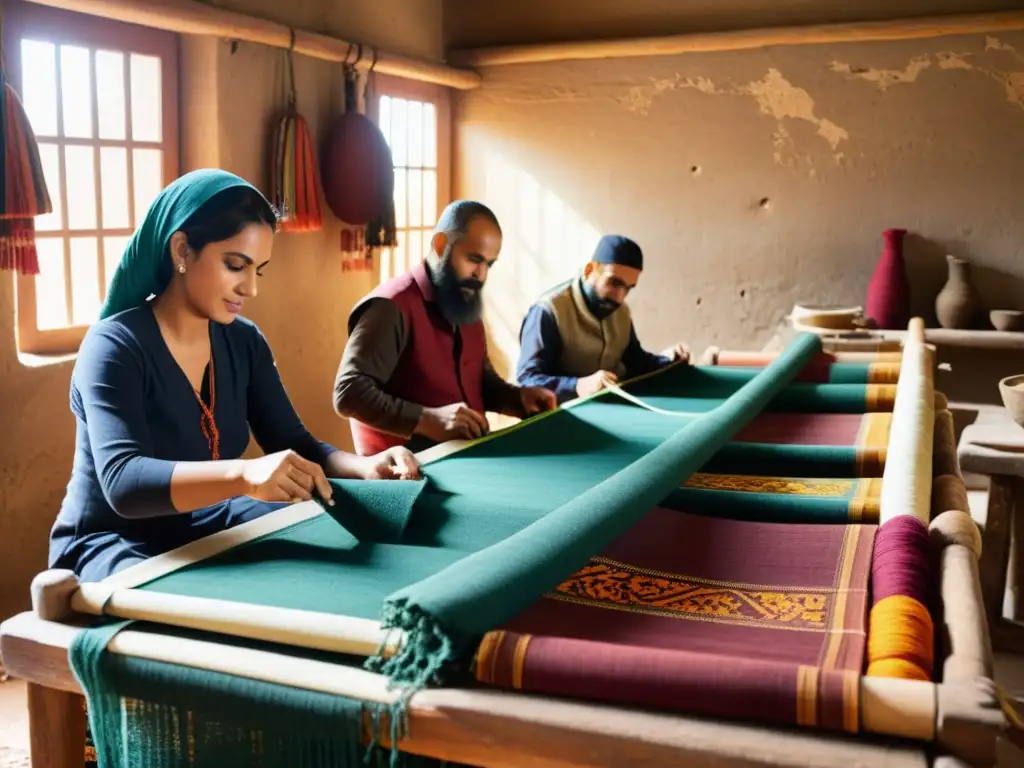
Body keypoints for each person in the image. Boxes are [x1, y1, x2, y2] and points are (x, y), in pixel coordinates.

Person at [49, 169, 420, 583]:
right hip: (116, 541)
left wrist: (364, 467)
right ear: (182, 251)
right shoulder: (113, 347)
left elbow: (292, 442)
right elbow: (124, 483)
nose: (250, 288)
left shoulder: (243, 342)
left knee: (340, 528)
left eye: (257, 270)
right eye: (234, 265)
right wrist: (244, 476)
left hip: (203, 522)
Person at [334, 200, 557, 455]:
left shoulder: (463, 300)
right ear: (440, 245)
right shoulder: (390, 306)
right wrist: (428, 420)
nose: (481, 275)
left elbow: (478, 381)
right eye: (474, 259)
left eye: (489, 264)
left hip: (469, 457)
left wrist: (517, 400)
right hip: (408, 474)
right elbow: (348, 393)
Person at [516, 235, 691, 404]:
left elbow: (634, 361)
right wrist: (577, 386)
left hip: (609, 408)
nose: (620, 297)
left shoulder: (621, 312)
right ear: (589, 270)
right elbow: (528, 380)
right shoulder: (549, 311)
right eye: (614, 283)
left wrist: (668, 360)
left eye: (628, 288)